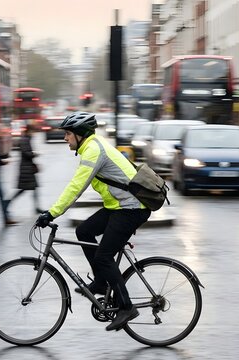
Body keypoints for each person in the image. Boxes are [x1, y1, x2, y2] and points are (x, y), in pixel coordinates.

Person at [36, 111, 151, 332]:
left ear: (79, 134)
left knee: (104, 256)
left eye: (68, 134)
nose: (65, 138)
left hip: (131, 208)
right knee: (84, 231)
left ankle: (126, 307)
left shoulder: (93, 150)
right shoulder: (91, 146)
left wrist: (52, 213)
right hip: (119, 206)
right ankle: (100, 282)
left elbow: (76, 187)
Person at [6, 120, 44, 214]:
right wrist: (35, 154)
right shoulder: (25, 140)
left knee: (34, 188)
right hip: (26, 169)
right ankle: (7, 203)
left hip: (28, 168)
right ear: (29, 131)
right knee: (23, 190)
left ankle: (36, 207)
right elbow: (26, 153)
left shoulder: (27, 138)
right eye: (33, 131)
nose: (34, 134)